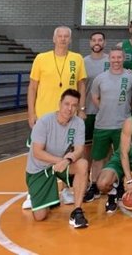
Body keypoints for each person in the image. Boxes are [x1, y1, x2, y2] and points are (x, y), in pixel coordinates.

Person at [25, 25, 87, 209]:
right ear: (54, 39)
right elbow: (32, 87)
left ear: (70, 39)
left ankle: (66, 189)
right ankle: (32, 193)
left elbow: (82, 85)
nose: (62, 39)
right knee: (36, 154)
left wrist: (81, 108)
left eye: (66, 36)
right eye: (59, 36)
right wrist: (31, 112)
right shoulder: (41, 58)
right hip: (44, 115)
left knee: (67, 152)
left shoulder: (77, 59)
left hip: (68, 115)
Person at [84, 48, 132, 203]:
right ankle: (95, 186)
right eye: (113, 57)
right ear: (109, 59)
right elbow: (94, 96)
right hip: (102, 124)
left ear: (123, 58)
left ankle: (120, 185)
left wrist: (129, 107)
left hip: (122, 126)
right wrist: (103, 107)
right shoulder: (100, 78)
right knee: (98, 158)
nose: (116, 60)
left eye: (119, 57)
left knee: (122, 157)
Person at [25, 88, 89, 228]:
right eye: (67, 104)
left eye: (74, 105)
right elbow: (37, 152)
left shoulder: (78, 123)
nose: (70, 108)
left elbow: (79, 149)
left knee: (82, 164)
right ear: (60, 104)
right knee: (40, 217)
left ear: (77, 107)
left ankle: (77, 211)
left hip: (61, 164)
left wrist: (68, 160)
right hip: (39, 169)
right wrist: (60, 161)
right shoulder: (44, 122)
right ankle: (48, 197)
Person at [81, 31, 109, 201]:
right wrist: (81, 109)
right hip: (88, 112)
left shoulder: (110, 61)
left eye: (100, 40)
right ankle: (85, 183)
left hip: (106, 114)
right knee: (87, 150)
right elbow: (80, 87)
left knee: (105, 151)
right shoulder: (83, 62)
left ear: (104, 42)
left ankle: (100, 182)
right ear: (90, 42)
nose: (97, 42)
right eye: (94, 40)